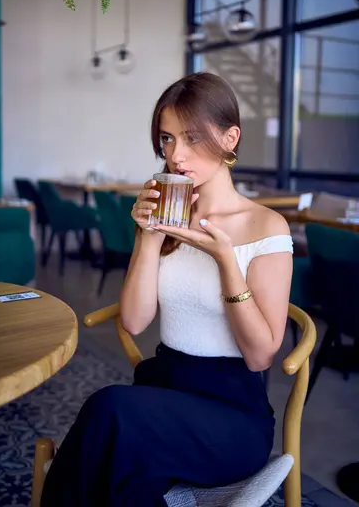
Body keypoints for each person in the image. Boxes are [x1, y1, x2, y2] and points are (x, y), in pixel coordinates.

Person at [41, 72, 293, 507]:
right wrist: (150, 236)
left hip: (232, 415)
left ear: (230, 138)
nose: (176, 155)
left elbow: (260, 355)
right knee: (125, 475)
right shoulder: (166, 217)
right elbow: (136, 321)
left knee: (111, 411)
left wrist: (226, 261)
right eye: (167, 139)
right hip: (165, 391)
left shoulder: (266, 226)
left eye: (192, 138)